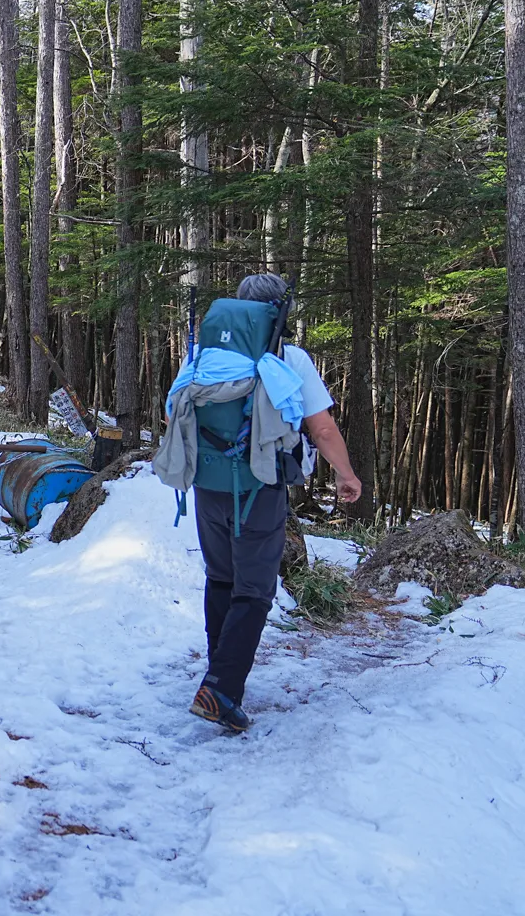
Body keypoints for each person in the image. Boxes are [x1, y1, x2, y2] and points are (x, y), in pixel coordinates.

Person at [158, 273, 361, 733]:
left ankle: (219, 673)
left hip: (207, 484)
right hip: (259, 488)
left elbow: (174, 411)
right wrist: (346, 475)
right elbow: (322, 428)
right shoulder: (287, 358)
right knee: (255, 589)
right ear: (277, 314)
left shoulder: (202, 356)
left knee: (222, 579)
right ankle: (222, 688)